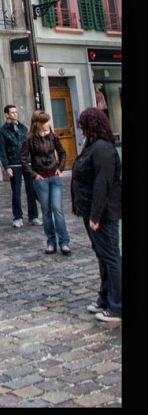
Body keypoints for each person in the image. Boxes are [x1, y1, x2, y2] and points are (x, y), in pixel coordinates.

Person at [71, 108, 122, 323]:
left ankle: (117, 305)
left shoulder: (102, 149)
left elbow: (103, 183)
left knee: (111, 257)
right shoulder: (92, 145)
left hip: (103, 212)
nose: (80, 129)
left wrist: (95, 215)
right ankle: (105, 297)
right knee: (102, 255)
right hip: (89, 208)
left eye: (82, 125)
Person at [20, 110, 70, 256]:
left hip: (54, 176)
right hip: (40, 178)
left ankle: (64, 242)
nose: (49, 124)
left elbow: (62, 152)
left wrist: (60, 168)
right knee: (46, 211)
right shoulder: (29, 138)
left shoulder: (53, 136)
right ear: (39, 124)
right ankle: (51, 242)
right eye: (46, 122)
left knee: (57, 209)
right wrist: (33, 174)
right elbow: (23, 158)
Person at [0, 105, 39, 228]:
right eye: (12, 112)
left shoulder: (23, 128)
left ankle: (33, 216)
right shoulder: (3, 130)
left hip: (27, 162)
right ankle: (17, 216)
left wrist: (33, 163)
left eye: (16, 112)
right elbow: (2, 150)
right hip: (14, 163)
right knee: (16, 191)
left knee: (31, 190)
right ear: (7, 115)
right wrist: (6, 166)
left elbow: (30, 145)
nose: (15, 114)